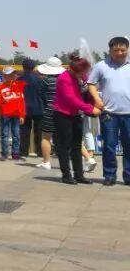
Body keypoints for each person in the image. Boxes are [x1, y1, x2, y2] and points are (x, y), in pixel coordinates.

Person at [52, 56, 103, 185]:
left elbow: (87, 91)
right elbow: (71, 99)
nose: (83, 75)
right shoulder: (64, 78)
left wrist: (94, 101)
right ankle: (66, 175)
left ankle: (79, 174)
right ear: (72, 70)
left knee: (77, 145)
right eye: (81, 73)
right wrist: (90, 109)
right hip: (62, 114)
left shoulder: (82, 77)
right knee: (64, 146)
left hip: (76, 114)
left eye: (85, 72)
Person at [88, 36, 130, 187]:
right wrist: (96, 99)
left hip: (128, 113)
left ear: (127, 49)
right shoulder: (101, 66)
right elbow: (91, 84)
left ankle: (128, 175)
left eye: (123, 50)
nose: (119, 53)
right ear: (110, 50)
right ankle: (109, 175)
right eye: (116, 50)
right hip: (109, 113)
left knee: (129, 145)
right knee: (109, 146)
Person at [35, 57, 65, 171]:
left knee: (46, 136)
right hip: (64, 110)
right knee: (69, 137)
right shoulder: (65, 80)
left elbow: (41, 95)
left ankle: (46, 161)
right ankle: (87, 158)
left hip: (50, 110)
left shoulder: (45, 81)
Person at [0, 66, 26, 161]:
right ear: (5, 76)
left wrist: (22, 115)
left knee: (16, 135)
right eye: (10, 75)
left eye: (13, 74)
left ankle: (15, 153)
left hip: (16, 114)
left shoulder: (19, 86)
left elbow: (22, 102)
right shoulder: (0, 87)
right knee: (5, 134)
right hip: (5, 115)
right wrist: (3, 101)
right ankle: (4, 153)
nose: (13, 76)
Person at [19, 59, 45, 159]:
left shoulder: (19, 80)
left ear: (23, 67)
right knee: (39, 132)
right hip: (39, 108)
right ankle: (40, 153)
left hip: (24, 109)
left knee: (24, 132)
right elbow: (43, 95)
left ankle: (23, 153)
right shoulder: (39, 80)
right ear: (34, 68)